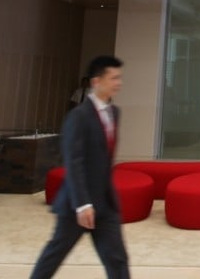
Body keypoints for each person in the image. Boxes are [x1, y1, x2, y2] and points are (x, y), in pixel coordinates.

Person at [30, 56, 129, 279]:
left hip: (105, 204)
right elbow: (74, 162)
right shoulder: (79, 116)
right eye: (113, 78)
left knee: (117, 259)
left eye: (119, 77)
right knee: (54, 255)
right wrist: (83, 204)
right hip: (77, 205)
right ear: (96, 81)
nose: (118, 82)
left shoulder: (115, 113)